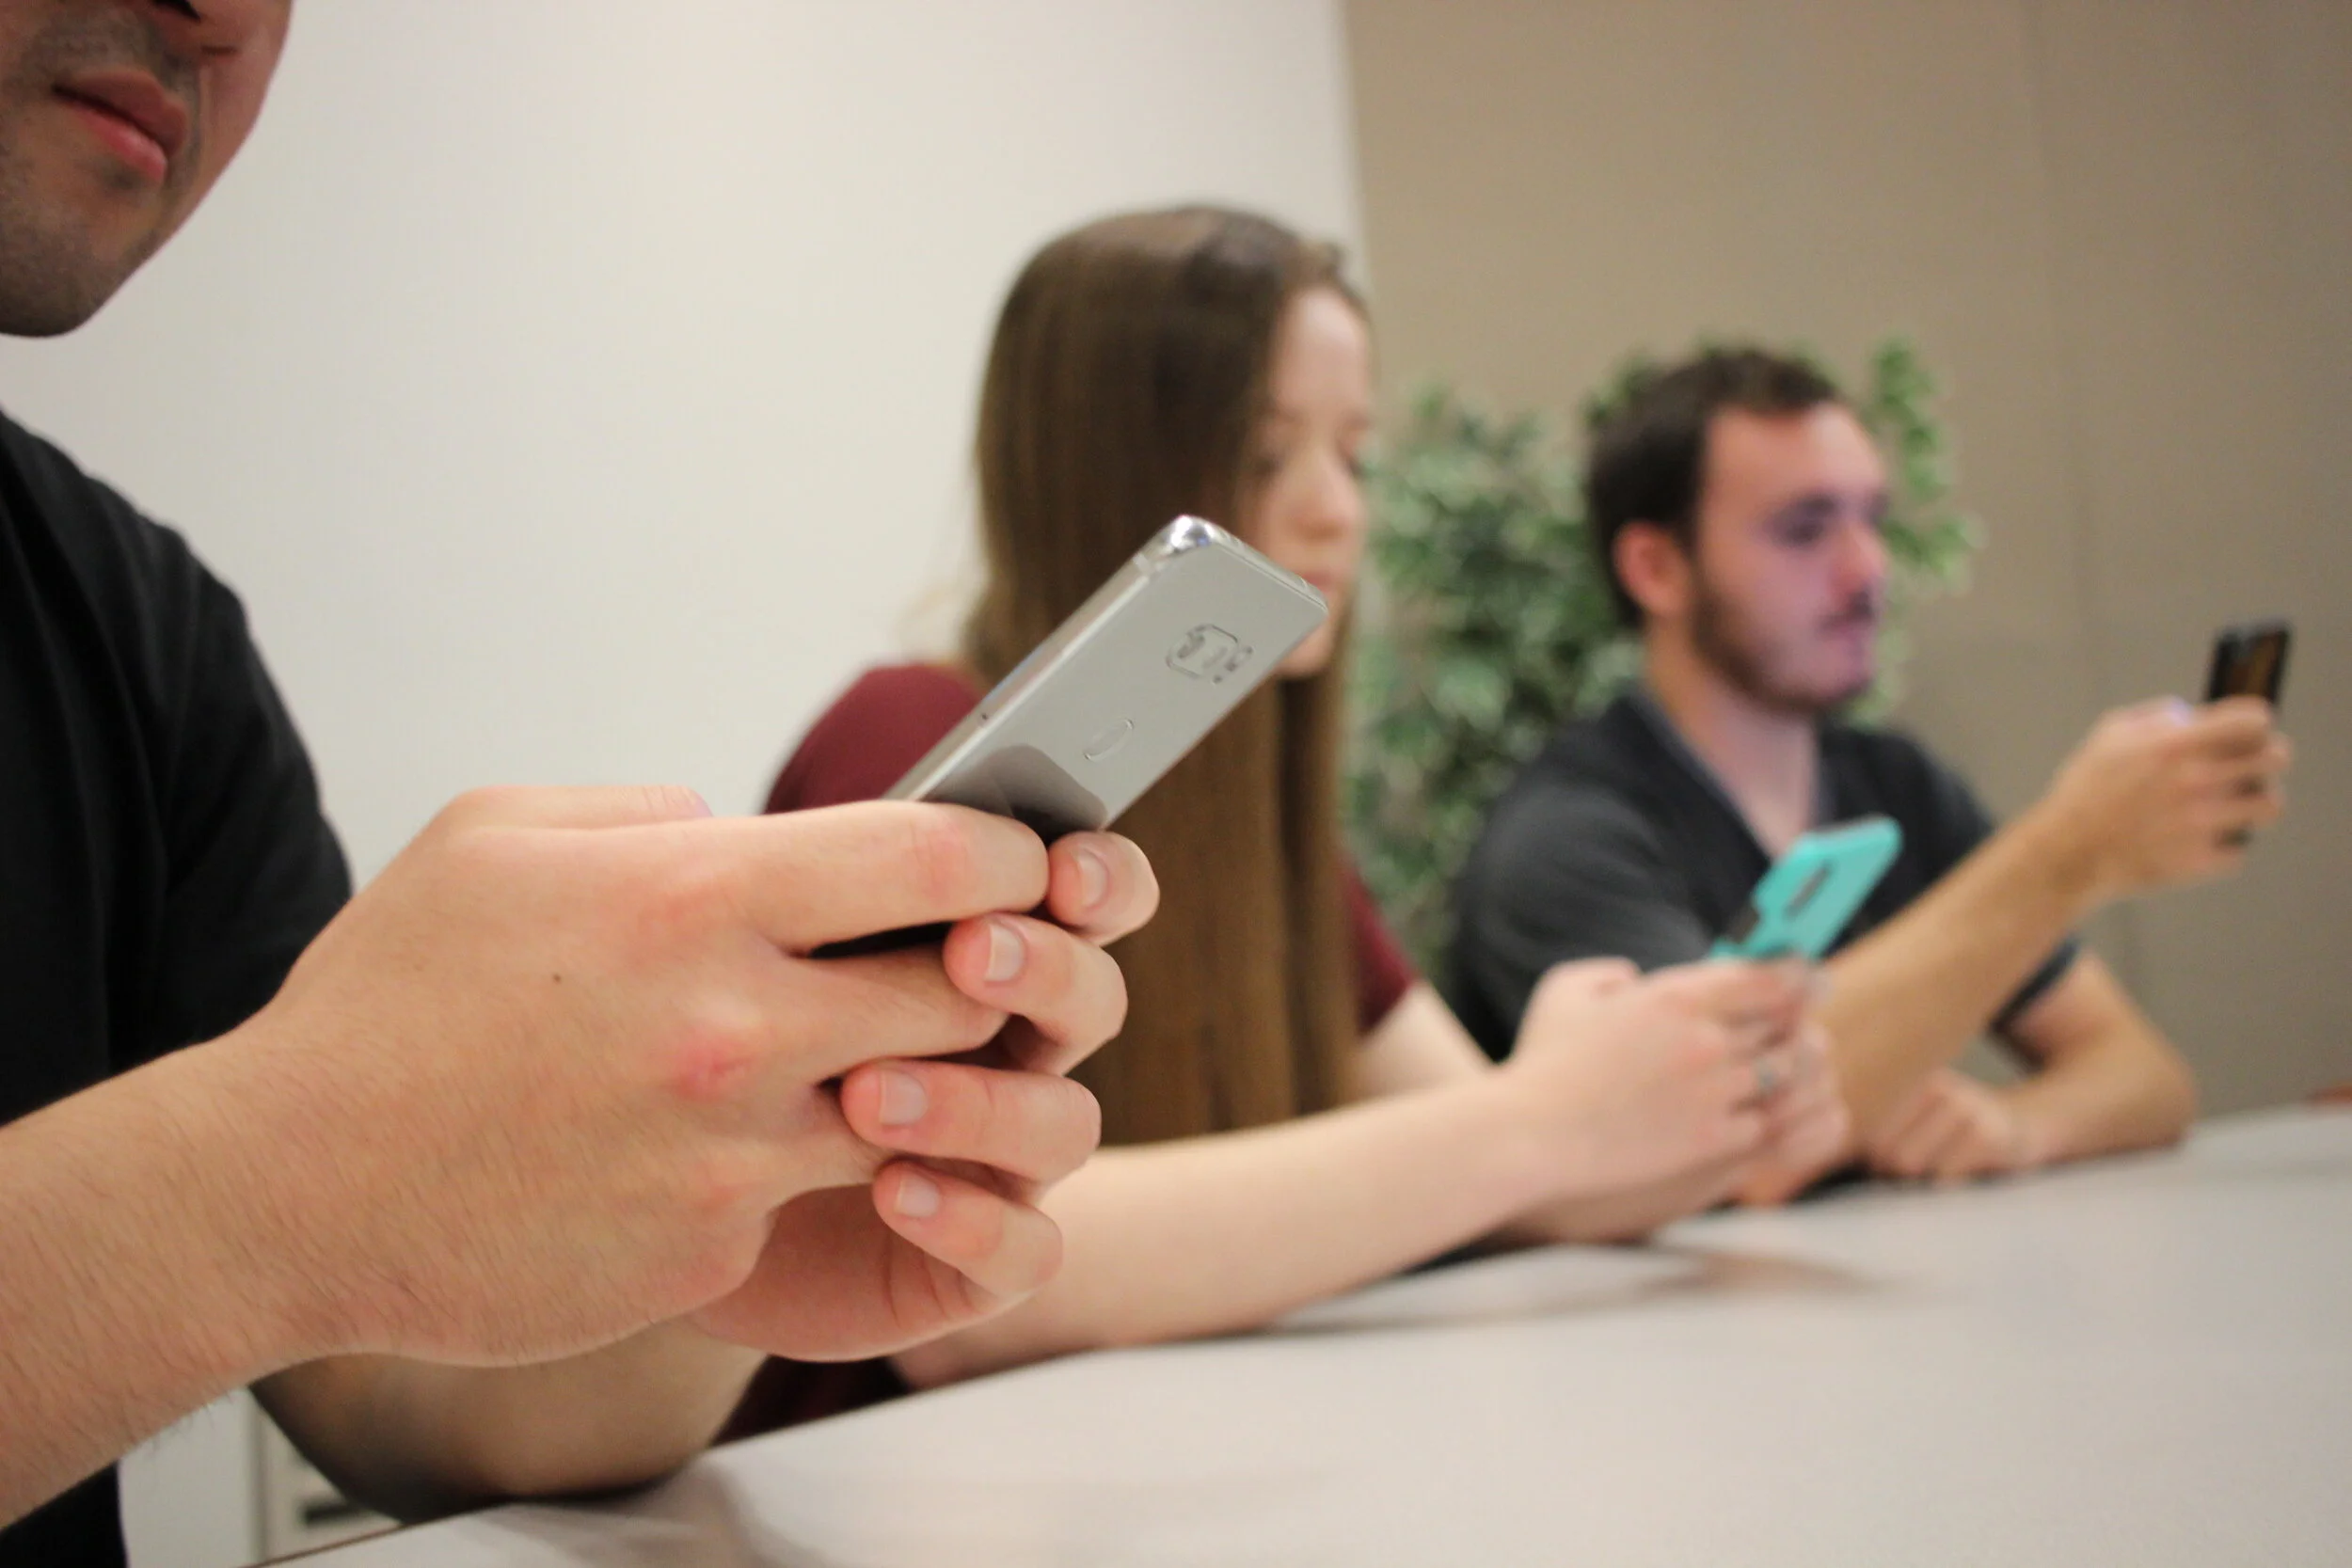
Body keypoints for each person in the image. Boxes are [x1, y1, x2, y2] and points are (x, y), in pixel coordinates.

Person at [0, 2, 1158, 1557]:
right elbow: (301, 1227)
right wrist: (285, 1166)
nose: (222, 20)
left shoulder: (141, 629)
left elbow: (392, 1391)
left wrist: (708, 1240)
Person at [727, 207, 1846, 1434]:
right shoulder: (904, 738)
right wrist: (1543, 1118)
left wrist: (1696, 1100)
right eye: (1267, 457)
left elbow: (1519, 1176)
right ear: (1099, 472)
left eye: (1355, 456)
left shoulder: (1256, 814)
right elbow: (958, 1277)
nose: (1336, 511)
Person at [1448, 347, 2290, 1199]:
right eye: (1805, 530)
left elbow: (2145, 1074)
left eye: (1871, 520)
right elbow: (1730, 1142)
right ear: (1656, 568)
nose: (1868, 570)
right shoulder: (1566, 836)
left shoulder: (1893, 783)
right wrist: (2066, 852)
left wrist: (2019, 1124)